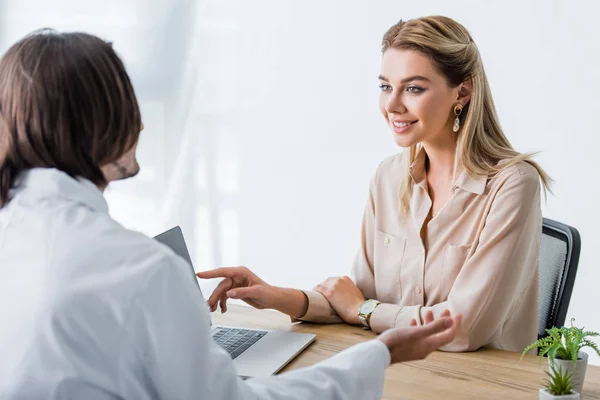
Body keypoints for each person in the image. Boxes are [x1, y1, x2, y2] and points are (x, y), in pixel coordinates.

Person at [0, 29, 462, 400]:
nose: (140, 124)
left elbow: (363, 298)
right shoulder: (143, 271)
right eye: (127, 106)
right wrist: (378, 353)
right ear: (98, 124)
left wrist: (288, 298)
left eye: (413, 87)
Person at [200, 15, 551, 353]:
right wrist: (276, 296)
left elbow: (462, 328)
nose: (392, 105)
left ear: (462, 93)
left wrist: (363, 311)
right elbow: (358, 296)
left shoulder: (513, 184)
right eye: (385, 87)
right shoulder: (389, 177)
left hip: (479, 384)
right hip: (402, 371)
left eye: (413, 88)